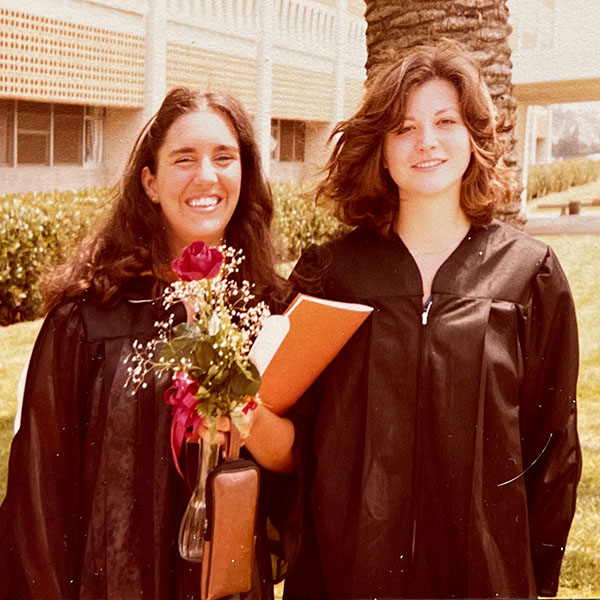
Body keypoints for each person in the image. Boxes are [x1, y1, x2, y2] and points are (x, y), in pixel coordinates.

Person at [277, 41, 582, 599]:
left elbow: (552, 447)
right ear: (382, 149)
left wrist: (533, 577)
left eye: (446, 122)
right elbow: (292, 438)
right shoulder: (333, 275)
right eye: (404, 128)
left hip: (482, 573)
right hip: (347, 572)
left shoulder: (527, 275)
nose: (427, 143)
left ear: (473, 140)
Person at [0, 87, 290, 599]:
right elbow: (38, 498)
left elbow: (300, 475)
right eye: (185, 159)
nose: (207, 175)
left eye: (225, 157)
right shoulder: (87, 322)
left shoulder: (267, 313)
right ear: (150, 183)